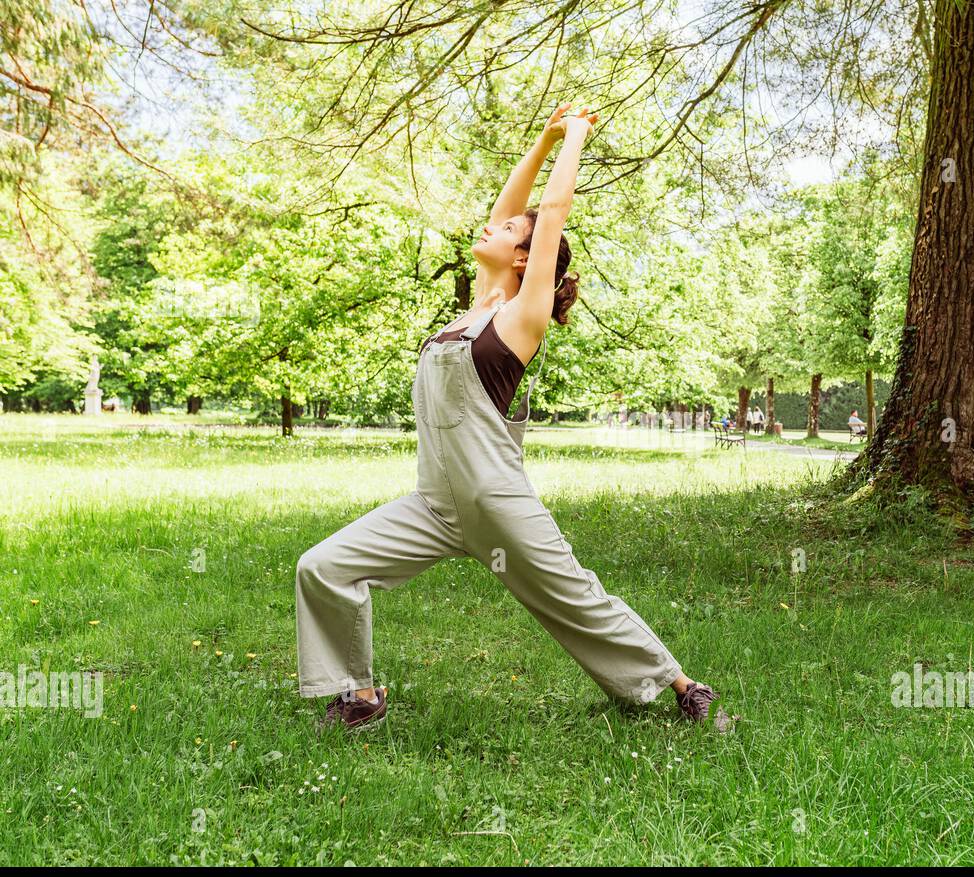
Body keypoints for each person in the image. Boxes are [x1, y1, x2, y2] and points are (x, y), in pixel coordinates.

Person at [295, 104, 725, 731]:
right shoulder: (475, 307)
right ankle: (359, 697)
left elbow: (548, 215)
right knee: (324, 566)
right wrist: (544, 137)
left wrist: (574, 139)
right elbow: (513, 213)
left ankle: (683, 687)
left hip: (497, 502)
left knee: (575, 599)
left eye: (509, 233)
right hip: (435, 505)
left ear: (527, 260)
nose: (492, 228)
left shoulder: (521, 318)